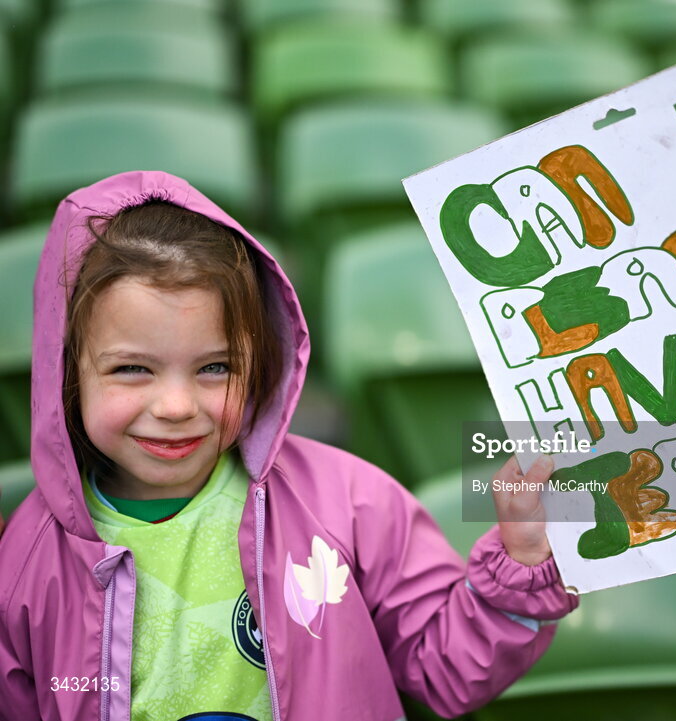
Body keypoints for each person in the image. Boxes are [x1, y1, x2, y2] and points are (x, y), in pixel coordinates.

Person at [0, 171, 578, 720]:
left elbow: (448, 671)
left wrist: (521, 565)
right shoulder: (25, 559)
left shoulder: (348, 502)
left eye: (215, 368)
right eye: (131, 369)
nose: (176, 406)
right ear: (66, 376)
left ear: (259, 368)